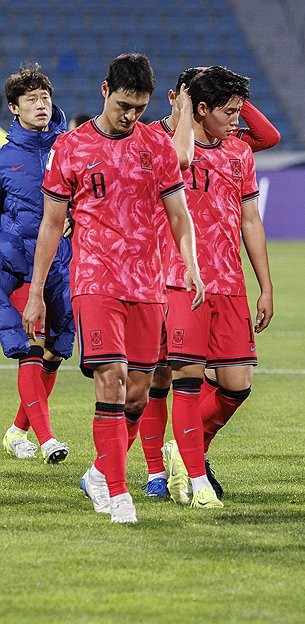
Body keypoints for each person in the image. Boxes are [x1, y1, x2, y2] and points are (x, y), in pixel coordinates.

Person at [26, 52, 204, 524]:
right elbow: (51, 224)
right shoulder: (71, 148)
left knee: (139, 394)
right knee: (112, 378)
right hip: (95, 281)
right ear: (105, 91)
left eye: (139, 108)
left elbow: (179, 213)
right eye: (124, 104)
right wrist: (38, 290)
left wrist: (190, 263)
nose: (130, 115)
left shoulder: (157, 147)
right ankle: (120, 496)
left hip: (147, 285)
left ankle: (100, 474)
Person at [137, 66, 282, 501]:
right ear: (199, 108)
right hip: (177, 279)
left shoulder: (238, 151)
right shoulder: (161, 144)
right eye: (230, 111)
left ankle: (183, 450)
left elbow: (251, 220)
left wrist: (266, 285)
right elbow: (179, 155)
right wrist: (187, 103)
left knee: (237, 383)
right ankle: (176, 475)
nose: (238, 119)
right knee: (175, 376)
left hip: (229, 282)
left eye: (240, 111)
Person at [0, 63, 74, 463]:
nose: (41, 105)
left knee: (54, 352)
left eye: (45, 97)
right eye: (31, 100)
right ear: (15, 108)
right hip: (19, 266)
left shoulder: (71, 146)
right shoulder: (4, 158)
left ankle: (16, 431)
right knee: (33, 343)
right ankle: (47, 440)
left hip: (64, 264)